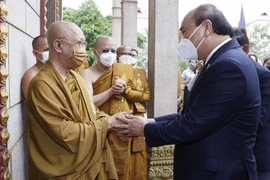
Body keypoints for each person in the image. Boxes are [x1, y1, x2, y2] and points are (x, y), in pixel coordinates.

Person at [113, 4, 261, 180]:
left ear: (206, 27)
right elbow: (191, 114)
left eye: (184, 32)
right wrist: (150, 121)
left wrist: (144, 128)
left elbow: (193, 124)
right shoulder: (220, 61)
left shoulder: (229, 66)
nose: (181, 38)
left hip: (220, 173)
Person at [25, 21, 127, 179]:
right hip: (64, 168)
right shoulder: (42, 85)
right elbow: (65, 133)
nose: (83, 51)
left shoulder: (76, 78)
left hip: (90, 160)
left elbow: (90, 112)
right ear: (58, 45)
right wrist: (108, 124)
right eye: (79, 44)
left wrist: (112, 119)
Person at [81, 37, 145, 180]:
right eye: (105, 51)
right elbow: (87, 104)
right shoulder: (87, 74)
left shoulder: (123, 70)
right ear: (95, 53)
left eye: (113, 51)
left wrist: (125, 90)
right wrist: (111, 91)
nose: (110, 54)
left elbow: (141, 96)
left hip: (123, 130)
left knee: (124, 171)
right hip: (102, 130)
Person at [233, 27, 270, 179]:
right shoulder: (229, 72)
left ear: (245, 49)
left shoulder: (264, 76)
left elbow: (260, 119)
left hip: (258, 156)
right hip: (234, 157)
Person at [118, 47, 150, 179]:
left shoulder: (140, 73)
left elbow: (147, 96)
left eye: (130, 54)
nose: (127, 56)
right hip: (119, 118)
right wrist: (137, 95)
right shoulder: (112, 71)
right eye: (123, 54)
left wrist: (127, 92)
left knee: (138, 153)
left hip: (138, 116)